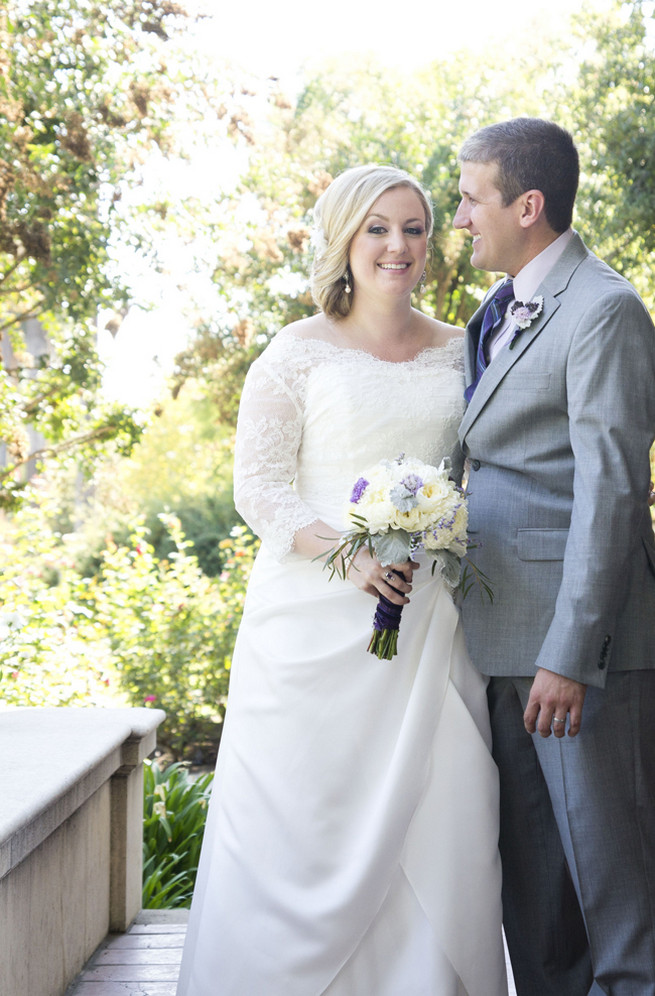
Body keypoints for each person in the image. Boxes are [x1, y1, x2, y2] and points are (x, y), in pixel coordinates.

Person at [176, 165, 508, 995]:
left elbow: (482, 470)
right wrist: (347, 555)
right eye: (377, 229)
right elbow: (258, 486)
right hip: (312, 618)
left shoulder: (460, 344)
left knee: (439, 814)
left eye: (415, 228)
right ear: (345, 240)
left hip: (429, 616)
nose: (398, 246)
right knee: (302, 819)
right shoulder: (293, 352)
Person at [454, 117, 655, 995]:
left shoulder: (603, 309)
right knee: (538, 919)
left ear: (526, 206)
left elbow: (611, 493)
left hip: (576, 662)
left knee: (616, 909)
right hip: (499, 648)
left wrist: (570, 657)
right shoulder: (495, 312)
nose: (459, 218)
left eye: (470, 199)